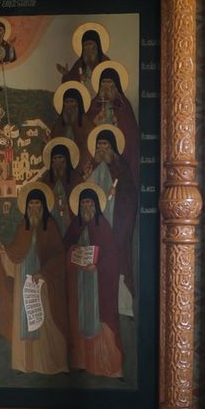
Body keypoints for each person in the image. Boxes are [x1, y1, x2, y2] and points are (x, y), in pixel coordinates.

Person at [0, 183, 68, 375]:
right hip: (23, 280)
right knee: (23, 318)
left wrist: (44, 273)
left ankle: (47, 364)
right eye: (31, 204)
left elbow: (59, 255)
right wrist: (4, 252)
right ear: (26, 207)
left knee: (44, 319)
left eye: (37, 204)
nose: (34, 208)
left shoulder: (50, 226)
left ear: (43, 205)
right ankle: (24, 364)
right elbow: (15, 252)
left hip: (42, 281)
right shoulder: (22, 227)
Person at [63, 184, 122, 378]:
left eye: (89, 202)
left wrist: (97, 266)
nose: (86, 206)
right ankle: (82, 361)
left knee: (98, 318)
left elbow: (112, 255)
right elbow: (66, 246)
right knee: (80, 318)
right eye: (83, 203)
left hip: (98, 281)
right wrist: (74, 251)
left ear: (95, 204)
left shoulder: (102, 225)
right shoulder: (76, 225)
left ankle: (103, 363)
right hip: (79, 281)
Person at [85, 126, 137, 309]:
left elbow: (130, 195)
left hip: (116, 219)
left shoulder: (121, 166)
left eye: (105, 144)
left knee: (116, 256)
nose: (101, 149)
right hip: (97, 221)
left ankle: (121, 305)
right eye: (99, 144)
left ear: (112, 146)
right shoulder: (92, 165)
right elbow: (84, 190)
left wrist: (118, 192)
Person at [87, 62, 139, 183]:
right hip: (96, 148)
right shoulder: (94, 104)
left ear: (116, 84)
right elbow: (86, 129)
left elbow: (130, 132)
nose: (105, 86)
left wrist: (117, 124)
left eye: (109, 82)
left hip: (116, 148)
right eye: (103, 82)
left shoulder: (123, 104)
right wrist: (95, 121)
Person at [40, 138, 83, 235]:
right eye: (54, 158)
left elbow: (80, 195)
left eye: (60, 157)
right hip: (53, 215)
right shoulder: (47, 178)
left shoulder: (75, 177)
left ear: (66, 158)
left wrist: (67, 205)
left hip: (69, 215)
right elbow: (42, 196)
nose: (57, 161)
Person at [50, 81, 94, 155]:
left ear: (78, 103)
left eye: (72, 101)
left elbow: (91, 142)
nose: (69, 105)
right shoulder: (60, 122)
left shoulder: (85, 122)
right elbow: (54, 140)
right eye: (66, 102)